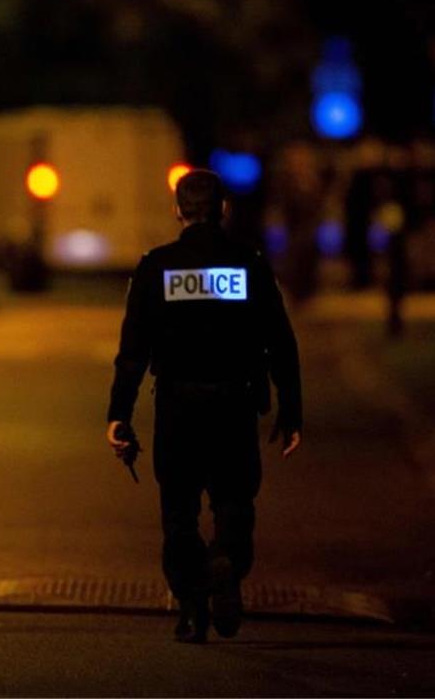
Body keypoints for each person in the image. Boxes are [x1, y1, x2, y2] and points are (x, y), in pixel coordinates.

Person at [106, 169, 303, 643]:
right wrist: (291, 410)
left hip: (178, 408)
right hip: (235, 405)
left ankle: (192, 608)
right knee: (235, 502)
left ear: (178, 211)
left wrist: (119, 414)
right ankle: (226, 563)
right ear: (224, 210)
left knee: (178, 511)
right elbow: (281, 343)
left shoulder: (156, 267)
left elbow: (133, 351)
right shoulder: (250, 265)